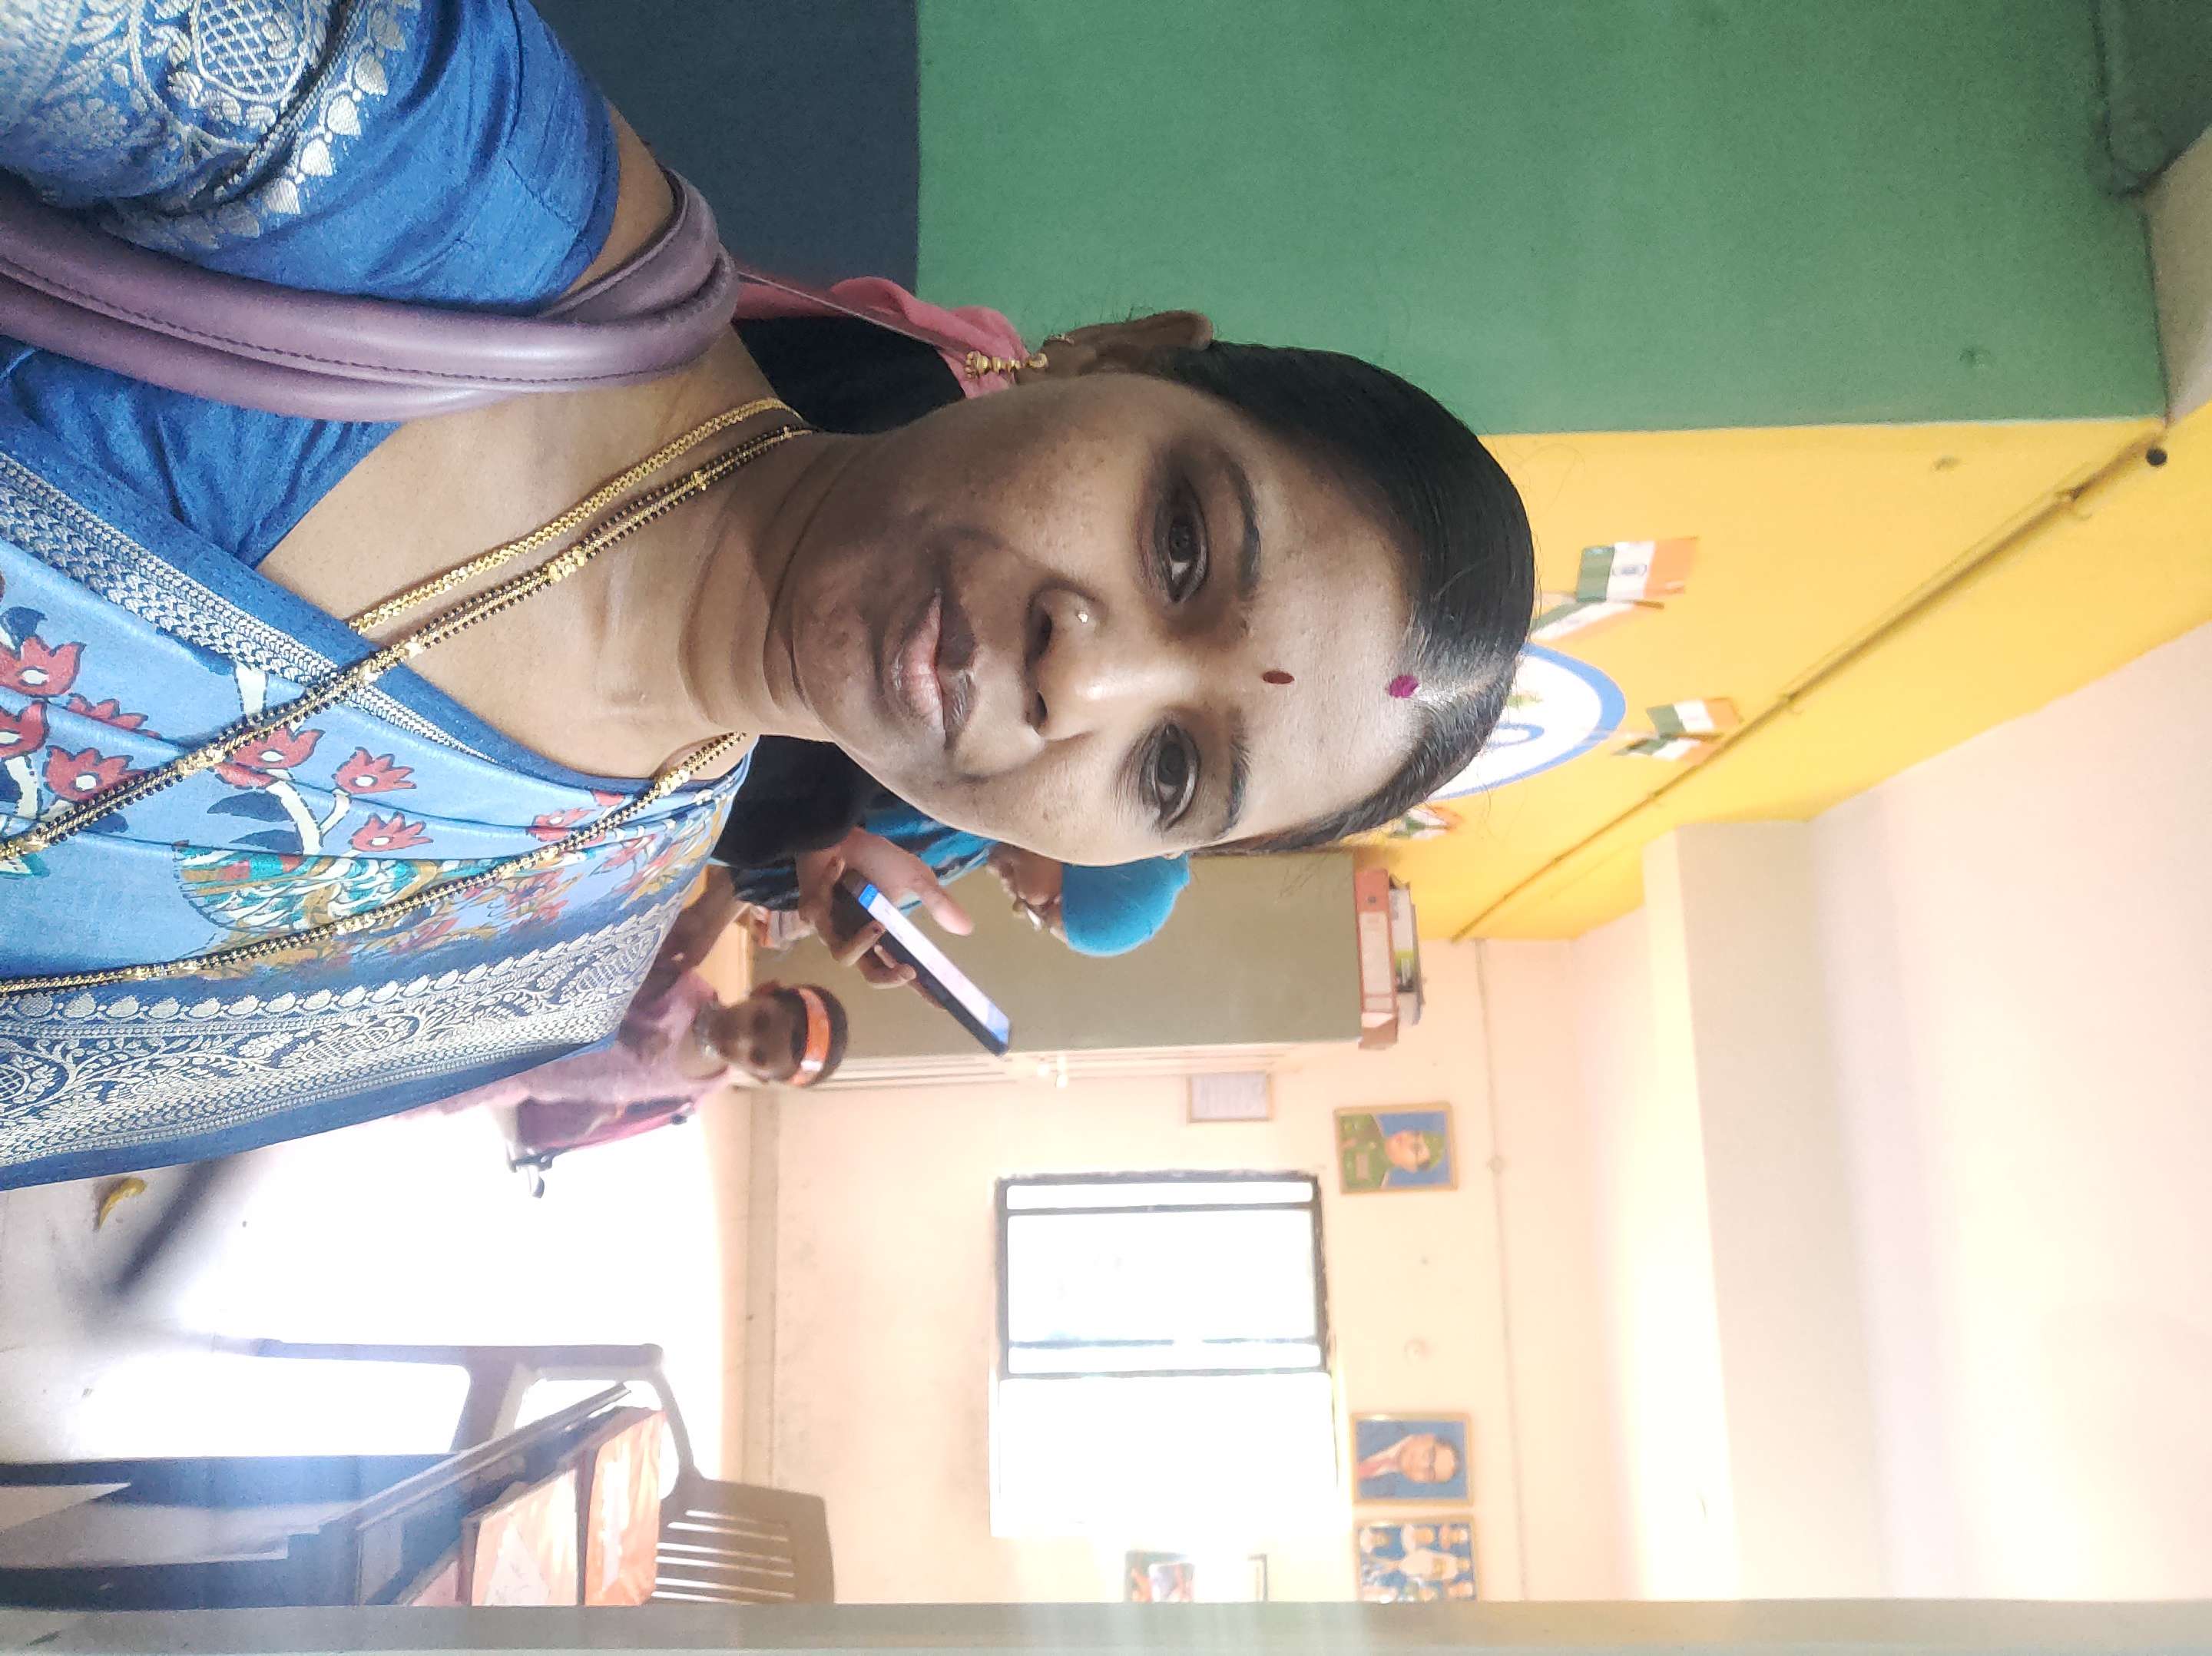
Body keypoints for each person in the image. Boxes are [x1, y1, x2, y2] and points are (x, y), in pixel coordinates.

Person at [0, 0, 1533, 1189]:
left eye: (1176, 768)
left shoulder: (564, 955)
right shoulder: (434, 176)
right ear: (1105, 356)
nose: (1086, 676)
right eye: (1182, 544)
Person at [1356, 1430, 1462, 1489]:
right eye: (1430, 1456)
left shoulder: (1383, 1493)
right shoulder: (1375, 1424)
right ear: (1427, 1437)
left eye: (1429, 1473)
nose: (1420, 1465)